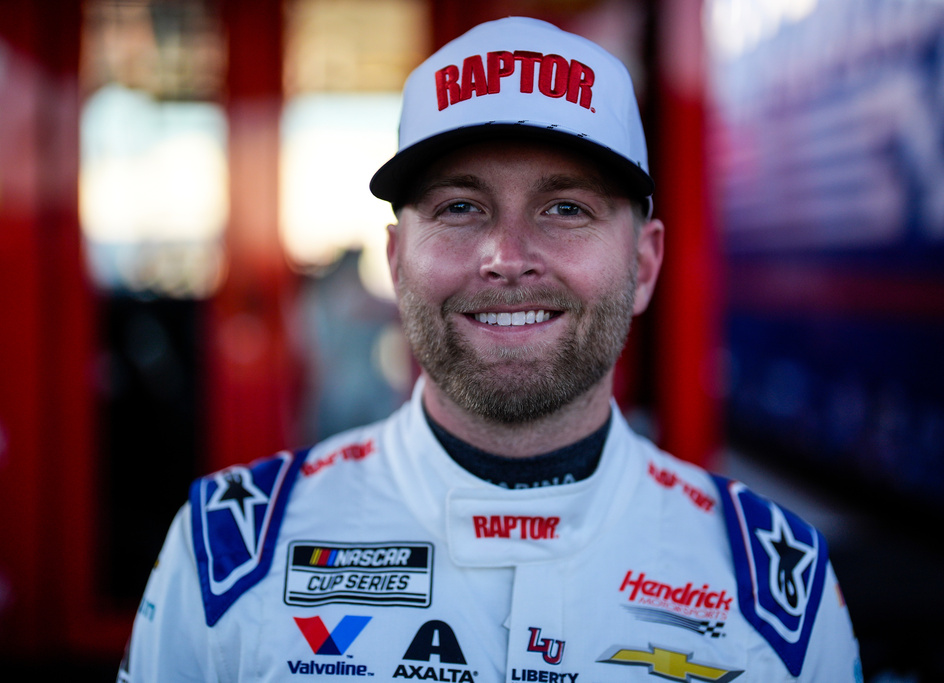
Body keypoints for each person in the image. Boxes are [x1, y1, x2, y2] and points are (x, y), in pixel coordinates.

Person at [119, 17, 861, 682]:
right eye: (460, 207)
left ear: (643, 265)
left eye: (565, 207)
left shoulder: (775, 590)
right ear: (398, 257)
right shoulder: (227, 555)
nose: (507, 256)